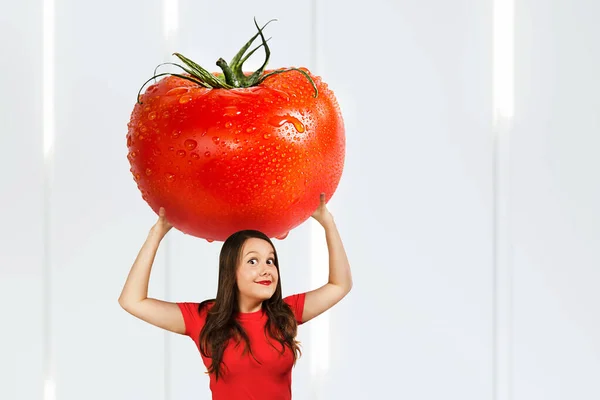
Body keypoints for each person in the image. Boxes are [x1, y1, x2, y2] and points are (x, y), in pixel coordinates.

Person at [118, 193, 353, 399]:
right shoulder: (203, 318)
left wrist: (327, 224)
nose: (266, 269)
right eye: (253, 260)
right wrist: (156, 234)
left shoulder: (286, 314)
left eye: (270, 260)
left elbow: (339, 285)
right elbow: (132, 301)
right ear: (231, 271)